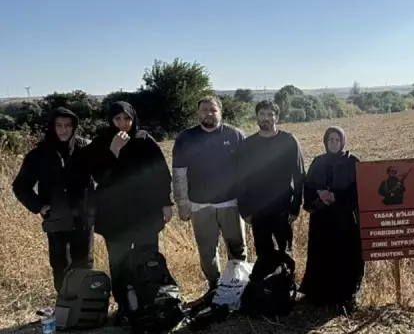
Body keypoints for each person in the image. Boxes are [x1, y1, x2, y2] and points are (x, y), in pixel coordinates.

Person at [76, 101, 173, 309]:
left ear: (133, 118)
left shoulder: (144, 139)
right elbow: (97, 175)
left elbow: (161, 174)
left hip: (144, 212)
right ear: (111, 120)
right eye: (118, 119)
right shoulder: (102, 142)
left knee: (146, 256)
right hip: (115, 214)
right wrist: (114, 151)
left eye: (127, 119)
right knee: (119, 259)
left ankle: (148, 299)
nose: (123, 124)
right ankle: (124, 304)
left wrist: (166, 202)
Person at [12, 107, 95, 293]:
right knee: (61, 267)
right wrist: (40, 206)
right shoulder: (39, 155)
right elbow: (20, 186)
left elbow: (103, 176)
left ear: (74, 127)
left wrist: (94, 205)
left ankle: (87, 312)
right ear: (52, 127)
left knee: (84, 266)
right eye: (58, 125)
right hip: (56, 220)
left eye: (67, 125)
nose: (63, 130)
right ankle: (66, 310)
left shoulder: (86, 149)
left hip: (83, 220)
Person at [172, 96, 247, 294]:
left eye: (213, 110)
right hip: (199, 205)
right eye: (204, 110)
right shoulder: (185, 138)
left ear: (220, 112)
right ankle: (215, 286)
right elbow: (179, 174)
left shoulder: (235, 135)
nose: (209, 114)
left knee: (237, 248)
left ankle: (237, 285)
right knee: (206, 251)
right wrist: (181, 204)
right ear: (198, 113)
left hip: (231, 203)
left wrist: (247, 201)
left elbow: (247, 170)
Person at [298, 126, 364, 313]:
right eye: (330, 140)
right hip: (322, 221)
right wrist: (319, 195)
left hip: (345, 221)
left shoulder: (352, 162)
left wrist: (337, 197)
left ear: (343, 141)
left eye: (337, 140)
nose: (333, 143)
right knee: (322, 255)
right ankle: (321, 295)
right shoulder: (318, 162)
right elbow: (308, 189)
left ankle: (345, 295)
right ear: (325, 142)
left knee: (346, 257)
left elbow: (359, 192)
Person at [234, 100, 305, 267]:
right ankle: (266, 290)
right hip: (257, 210)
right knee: (263, 253)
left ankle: (287, 287)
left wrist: (295, 207)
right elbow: (240, 179)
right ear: (257, 117)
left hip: (283, 209)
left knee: (285, 253)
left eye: (270, 114)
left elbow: (299, 175)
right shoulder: (247, 145)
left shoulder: (288, 141)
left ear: (277, 118)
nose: (266, 118)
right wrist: (245, 210)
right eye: (262, 114)